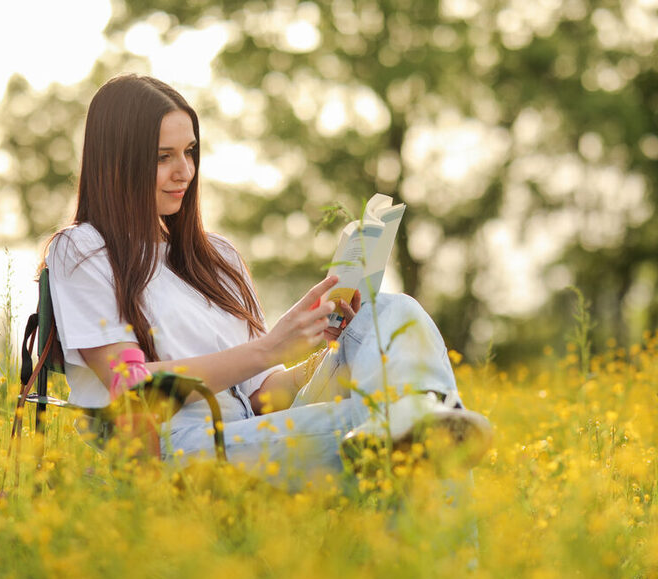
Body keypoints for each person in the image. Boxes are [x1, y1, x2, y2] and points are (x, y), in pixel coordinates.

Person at [45, 74, 491, 484]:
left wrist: (315, 345)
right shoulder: (84, 250)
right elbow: (133, 385)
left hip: (253, 430)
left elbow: (263, 398)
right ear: (117, 162)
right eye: (164, 157)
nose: (185, 171)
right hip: (181, 445)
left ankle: (415, 415)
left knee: (390, 311)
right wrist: (270, 347)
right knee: (404, 435)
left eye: (190, 152)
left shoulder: (217, 257)